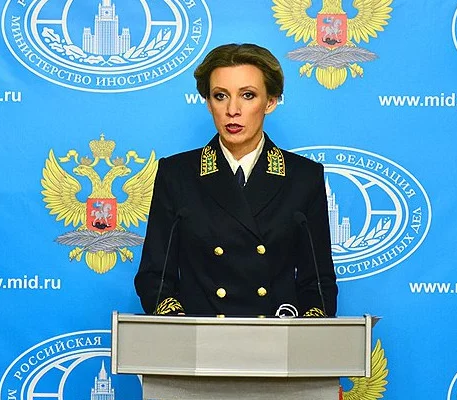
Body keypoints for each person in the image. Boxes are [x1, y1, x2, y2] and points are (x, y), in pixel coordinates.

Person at [134, 43, 338, 317]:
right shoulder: (176, 174)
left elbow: (319, 284)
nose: (233, 109)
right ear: (208, 103)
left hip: (276, 337)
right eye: (220, 96)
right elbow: (155, 278)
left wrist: (304, 331)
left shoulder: (303, 177)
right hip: (199, 336)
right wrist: (179, 327)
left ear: (271, 102)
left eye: (247, 95)